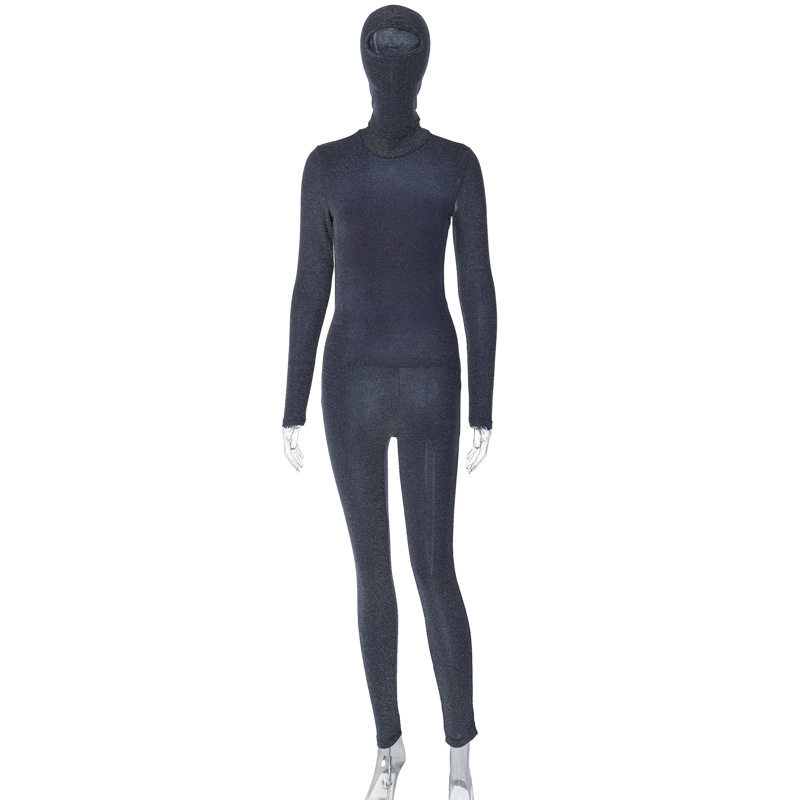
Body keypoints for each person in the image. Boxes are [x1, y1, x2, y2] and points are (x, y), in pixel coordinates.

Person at [281, 6, 497, 798]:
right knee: (389, 573)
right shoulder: (336, 166)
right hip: (368, 384)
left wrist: (484, 402)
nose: (395, 66)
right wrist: (292, 399)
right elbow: (311, 284)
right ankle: (403, 752)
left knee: (420, 572)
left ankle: (445, 758)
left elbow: (477, 285)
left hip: (410, 381)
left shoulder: (448, 166)